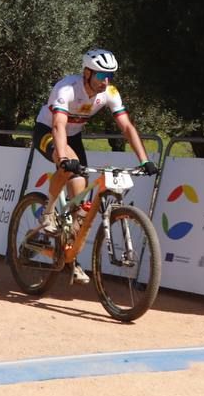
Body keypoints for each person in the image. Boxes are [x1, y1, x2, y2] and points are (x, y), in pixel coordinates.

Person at [32, 48, 159, 284]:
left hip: (74, 136)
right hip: (48, 131)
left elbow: (127, 127)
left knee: (80, 204)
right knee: (69, 166)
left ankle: (69, 259)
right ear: (87, 73)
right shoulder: (66, 88)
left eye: (109, 75)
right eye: (101, 76)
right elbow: (59, 125)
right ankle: (48, 211)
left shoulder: (109, 92)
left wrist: (145, 159)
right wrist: (62, 157)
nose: (106, 81)